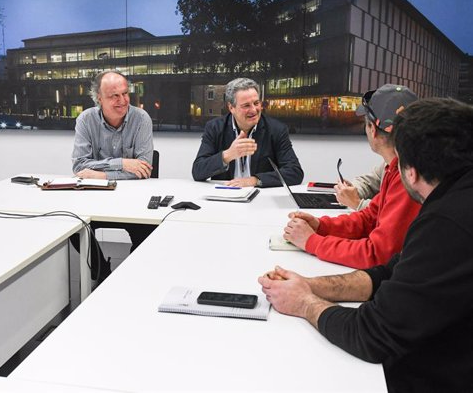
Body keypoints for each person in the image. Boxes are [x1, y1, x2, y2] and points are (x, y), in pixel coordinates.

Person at [259, 98, 473, 392]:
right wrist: (310, 284)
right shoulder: (455, 197)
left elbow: (372, 335)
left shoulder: (447, 222)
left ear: (409, 171)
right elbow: (389, 271)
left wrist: (304, 302)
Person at [282, 84, 421, 268]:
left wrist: (311, 241)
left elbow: (376, 254)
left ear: (372, 129)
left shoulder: (409, 177)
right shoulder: (397, 166)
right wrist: (321, 226)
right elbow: (369, 218)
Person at [191, 78, 303, 187]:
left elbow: (295, 172)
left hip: (261, 197)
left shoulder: (276, 129)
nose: (254, 110)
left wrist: (255, 180)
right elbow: (198, 171)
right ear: (231, 107)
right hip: (225, 196)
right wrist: (228, 155)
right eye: (246, 105)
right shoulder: (215, 128)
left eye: (256, 103)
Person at [72, 70, 153, 180]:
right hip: (95, 192)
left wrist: (103, 176)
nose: (123, 100)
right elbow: (79, 166)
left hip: (132, 190)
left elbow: (144, 170)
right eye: (115, 95)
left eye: (125, 93)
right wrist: (122, 163)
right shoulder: (85, 120)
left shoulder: (141, 119)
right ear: (99, 98)